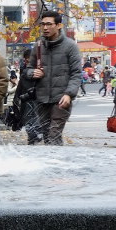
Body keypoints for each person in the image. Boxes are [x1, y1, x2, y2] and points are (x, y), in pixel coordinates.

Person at [26, 10, 82, 146]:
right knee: (47, 136)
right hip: (41, 99)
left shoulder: (70, 46)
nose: (45, 28)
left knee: (53, 134)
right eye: (43, 24)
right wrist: (32, 72)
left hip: (61, 99)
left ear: (58, 26)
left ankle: (56, 165)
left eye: (49, 24)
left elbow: (76, 74)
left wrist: (69, 94)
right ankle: (55, 163)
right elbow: (27, 70)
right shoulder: (38, 46)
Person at [12, 46, 42, 144]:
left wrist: (17, 98)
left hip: (29, 100)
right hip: (31, 99)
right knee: (33, 120)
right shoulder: (27, 70)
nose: (25, 60)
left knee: (30, 120)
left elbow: (21, 86)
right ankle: (34, 136)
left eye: (26, 58)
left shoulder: (30, 71)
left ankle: (33, 137)